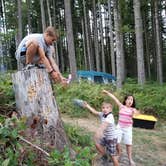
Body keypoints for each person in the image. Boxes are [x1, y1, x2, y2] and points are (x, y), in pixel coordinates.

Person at [102, 90, 140, 166]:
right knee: (116, 142)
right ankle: (119, 153)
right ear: (125, 100)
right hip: (119, 127)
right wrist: (108, 93)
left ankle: (130, 159)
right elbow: (115, 99)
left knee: (128, 144)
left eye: (131, 99)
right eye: (128, 99)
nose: (130, 101)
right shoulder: (121, 106)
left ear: (133, 102)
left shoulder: (133, 109)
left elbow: (136, 115)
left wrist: (134, 113)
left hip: (128, 128)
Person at [83, 101, 119, 166]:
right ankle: (104, 155)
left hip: (111, 139)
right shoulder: (102, 114)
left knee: (113, 156)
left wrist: (97, 134)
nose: (105, 109)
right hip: (105, 137)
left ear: (110, 109)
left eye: (107, 108)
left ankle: (113, 161)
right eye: (103, 108)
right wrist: (87, 105)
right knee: (97, 143)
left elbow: (103, 127)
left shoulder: (110, 117)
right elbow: (95, 112)